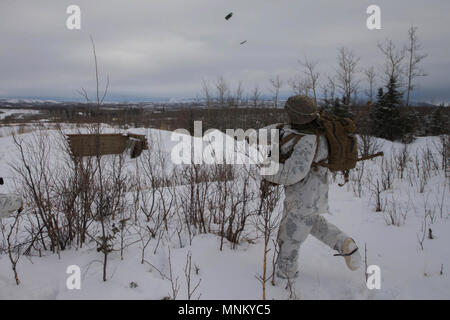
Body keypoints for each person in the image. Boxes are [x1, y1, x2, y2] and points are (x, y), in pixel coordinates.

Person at [261, 95, 361, 280]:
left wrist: (266, 170)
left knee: (289, 239)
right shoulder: (312, 130)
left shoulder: (307, 140)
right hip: (309, 196)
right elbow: (277, 132)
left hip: (304, 198)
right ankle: (344, 244)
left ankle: (286, 280)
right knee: (311, 223)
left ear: (294, 114)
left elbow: (293, 173)